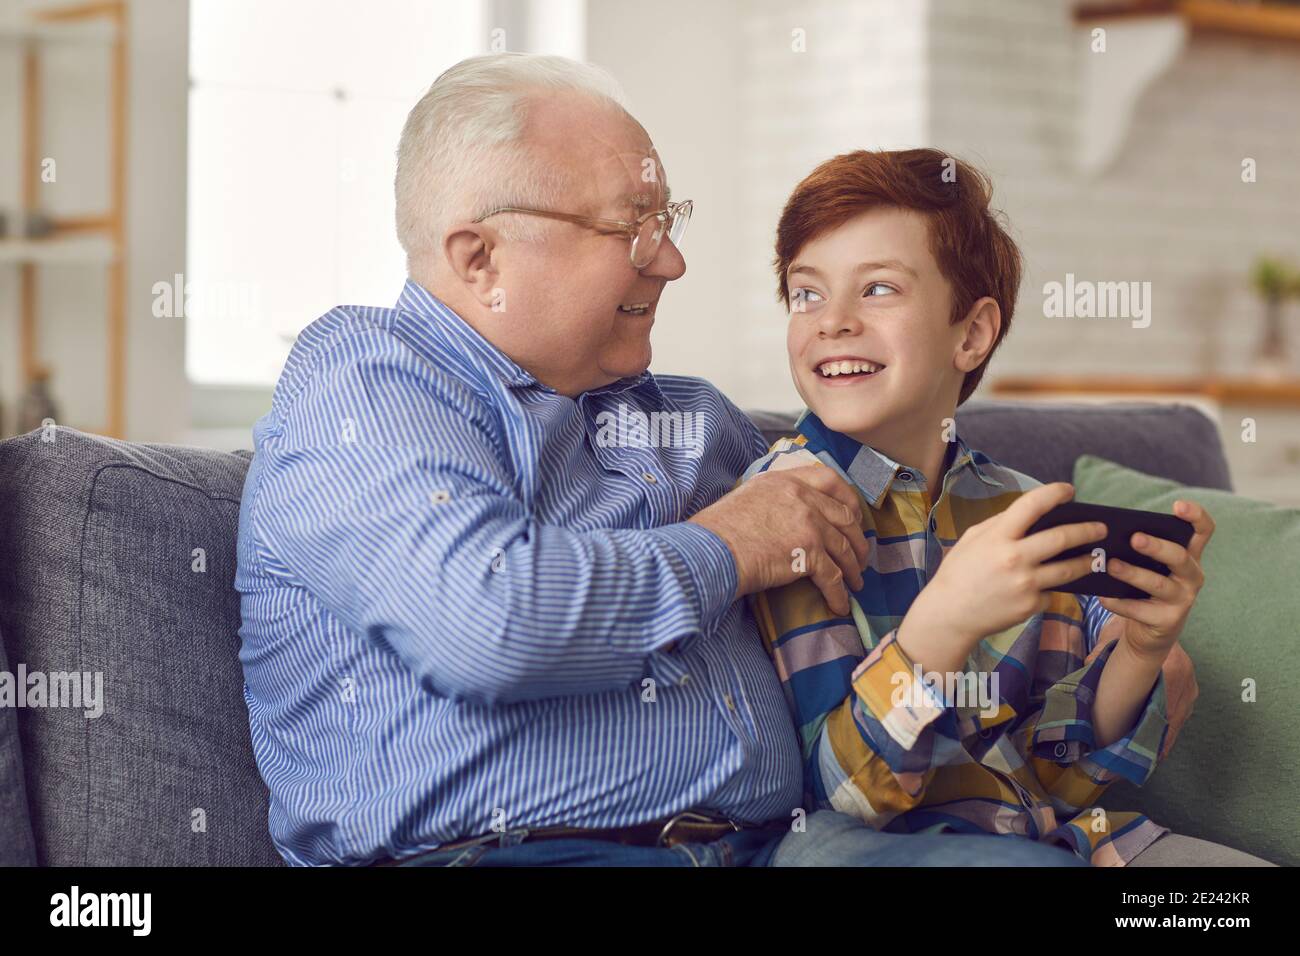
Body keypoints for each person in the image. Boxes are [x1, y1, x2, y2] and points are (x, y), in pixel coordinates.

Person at [234, 55, 1194, 867]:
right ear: (479, 257)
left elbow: (892, 488)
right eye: (632, 227)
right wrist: (729, 543)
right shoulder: (367, 382)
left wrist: (1129, 639)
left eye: (671, 219)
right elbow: (491, 623)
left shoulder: (693, 420)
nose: (671, 263)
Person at [740, 148, 1252, 866]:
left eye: (878, 288)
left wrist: (1141, 650)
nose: (832, 322)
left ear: (972, 333)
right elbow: (843, 794)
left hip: (1055, 837)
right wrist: (942, 624)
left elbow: (1060, 777)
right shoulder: (787, 510)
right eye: (806, 293)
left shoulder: (1016, 506)